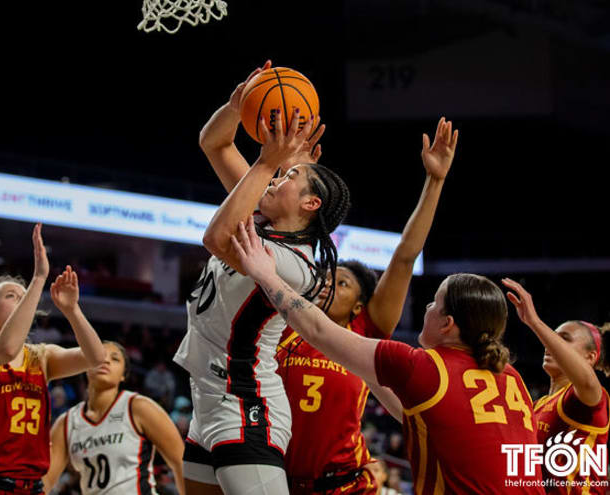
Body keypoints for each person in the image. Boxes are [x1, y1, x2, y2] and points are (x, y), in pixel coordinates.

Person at [232, 219, 546, 494]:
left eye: (433, 303)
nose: (426, 308)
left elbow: (318, 329)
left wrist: (265, 274)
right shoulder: (511, 377)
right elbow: (420, 416)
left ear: (448, 324)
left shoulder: (423, 366)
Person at [175, 64, 351, 495]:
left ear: (310, 203)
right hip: (207, 402)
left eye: (290, 177)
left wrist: (267, 159)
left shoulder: (295, 262)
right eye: (279, 173)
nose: (278, 177)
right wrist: (238, 107)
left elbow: (216, 238)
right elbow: (213, 142)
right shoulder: (261, 218)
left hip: (246, 405)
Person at [276, 117, 457, 494]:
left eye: (341, 283)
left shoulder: (364, 333)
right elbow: (283, 227)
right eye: (327, 277)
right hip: (276, 480)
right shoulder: (287, 323)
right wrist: (289, 170)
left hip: (345, 484)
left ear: (359, 306)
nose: (328, 283)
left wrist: (434, 181)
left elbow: (405, 256)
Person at [0, 223, 106, 495]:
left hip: (31, 488)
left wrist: (72, 310)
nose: (23, 302)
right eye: (12, 296)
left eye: (26, 299)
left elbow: (96, 356)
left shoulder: (40, 356)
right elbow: (7, 349)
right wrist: (38, 279)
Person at [502, 278, 610, 493]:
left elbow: (588, 381)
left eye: (563, 339)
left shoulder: (588, 398)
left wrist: (534, 322)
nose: (549, 343)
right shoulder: (535, 406)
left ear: (590, 358)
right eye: (552, 337)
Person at [44, 341, 186, 495]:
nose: (106, 361)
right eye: (100, 356)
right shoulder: (67, 422)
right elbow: (44, 482)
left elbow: (181, 462)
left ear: (123, 375)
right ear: (85, 365)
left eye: (115, 359)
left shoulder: (138, 407)